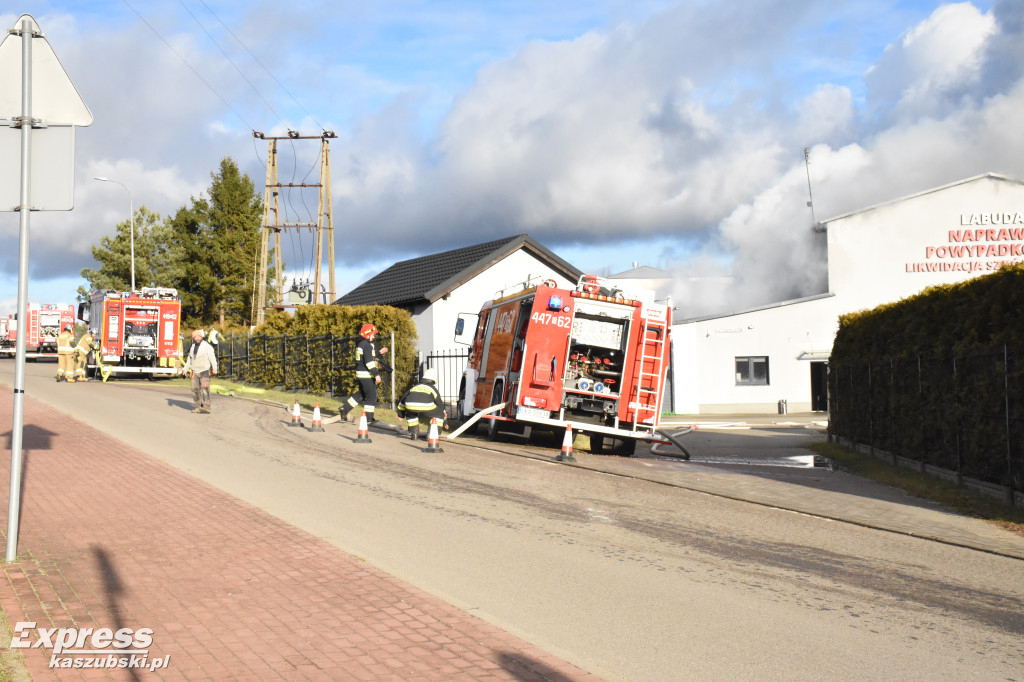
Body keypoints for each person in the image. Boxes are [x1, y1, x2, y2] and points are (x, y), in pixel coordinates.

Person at [339, 323, 383, 423]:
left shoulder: (361, 344)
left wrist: (379, 353)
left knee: (361, 394)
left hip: (360, 373)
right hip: (366, 374)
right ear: (368, 334)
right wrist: (376, 374)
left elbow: (367, 357)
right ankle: (368, 418)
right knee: (372, 396)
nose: (374, 336)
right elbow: (369, 362)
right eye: (373, 334)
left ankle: (344, 409)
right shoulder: (367, 345)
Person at [398, 368, 447, 440]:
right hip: (426, 406)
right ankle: (431, 435)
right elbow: (439, 403)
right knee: (438, 414)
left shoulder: (415, 387)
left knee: (411, 414)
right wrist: (444, 415)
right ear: (434, 380)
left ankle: (414, 434)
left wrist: (401, 415)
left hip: (410, 405)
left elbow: (402, 400)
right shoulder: (432, 388)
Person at [183, 328, 218, 414]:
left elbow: (212, 357)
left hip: (204, 370)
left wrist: (214, 367)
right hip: (194, 371)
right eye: (195, 337)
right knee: (195, 390)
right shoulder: (192, 347)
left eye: (199, 336)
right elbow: (189, 359)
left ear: (202, 337)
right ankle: (198, 406)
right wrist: (185, 369)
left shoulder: (207, 346)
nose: (197, 338)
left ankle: (206, 407)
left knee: (205, 389)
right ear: (193, 338)